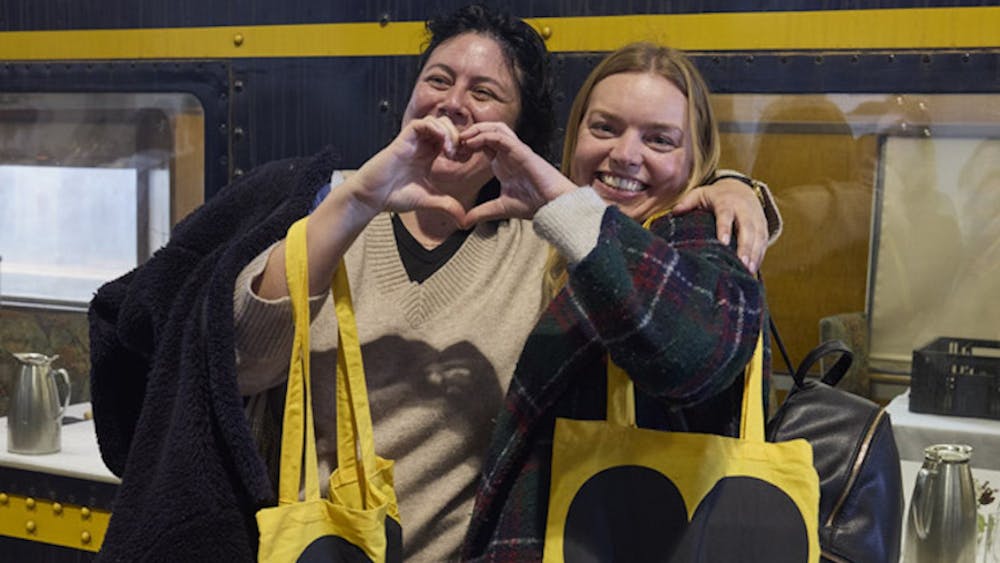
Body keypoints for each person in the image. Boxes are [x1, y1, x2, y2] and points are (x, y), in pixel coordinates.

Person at [88, 6, 775, 562]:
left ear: (520, 129)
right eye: (438, 79)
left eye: (484, 92)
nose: (454, 102)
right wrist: (357, 198)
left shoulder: (546, 253)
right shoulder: (329, 212)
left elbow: (664, 299)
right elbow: (232, 367)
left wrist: (734, 188)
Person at [455, 42, 767, 560]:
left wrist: (733, 187)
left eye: (660, 139)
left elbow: (693, 352)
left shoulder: (705, 238)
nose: (624, 154)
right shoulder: (550, 243)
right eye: (604, 127)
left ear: (696, 160)